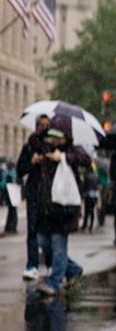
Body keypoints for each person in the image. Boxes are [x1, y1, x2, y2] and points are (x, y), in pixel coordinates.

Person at [34, 115, 91, 297]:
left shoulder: (73, 150)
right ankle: (72, 269)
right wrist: (46, 128)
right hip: (47, 208)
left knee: (59, 245)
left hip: (64, 208)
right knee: (44, 241)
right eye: (54, 135)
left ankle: (55, 282)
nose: (56, 139)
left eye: (60, 135)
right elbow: (33, 140)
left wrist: (64, 157)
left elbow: (86, 160)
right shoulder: (47, 147)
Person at [16, 113, 51, 279]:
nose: (43, 128)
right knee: (32, 230)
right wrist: (32, 162)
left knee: (49, 230)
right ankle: (32, 265)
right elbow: (20, 170)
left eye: (46, 125)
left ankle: (52, 264)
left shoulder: (53, 145)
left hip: (50, 194)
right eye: (41, 125)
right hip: (34, 193)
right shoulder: (29, 146)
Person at [0, 159, 19, 234]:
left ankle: (11, 228)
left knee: (12, 211)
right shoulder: (12, 172)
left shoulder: (8, 172)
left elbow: (3, 183)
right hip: (12, 194)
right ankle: (11, 228)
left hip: (10, 194)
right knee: (12, 211)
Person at [80, 164, 99, 232]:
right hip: (94, 195)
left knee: (86, 211)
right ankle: (91, 225)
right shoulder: (95, 176)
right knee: (92, 211)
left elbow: (84, 186)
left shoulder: (86, 176)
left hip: (88, 195)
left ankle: (84, 225)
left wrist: (82, 195)